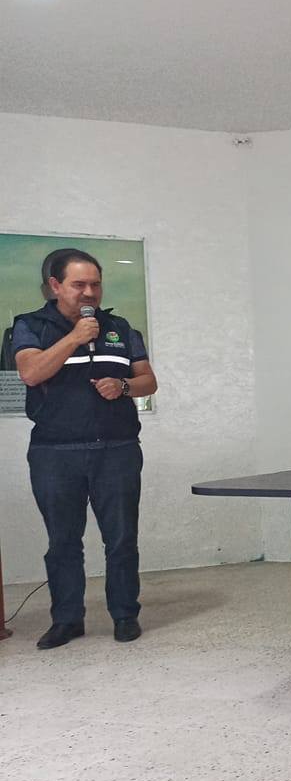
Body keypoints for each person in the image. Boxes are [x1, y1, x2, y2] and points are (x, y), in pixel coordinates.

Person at [11, 248, 160, 649]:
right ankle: (67, 620)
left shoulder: (119, 328)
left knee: (122, 538)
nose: (89, 292)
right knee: (63, 541)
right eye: (79, 284)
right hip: (55, 453)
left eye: (95, 284)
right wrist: (75, 337)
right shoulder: (29, 326)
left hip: (117, 448)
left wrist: (124, 386)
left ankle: (125, 615)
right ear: (55, 285)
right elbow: (31, 372)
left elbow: (148, 380)